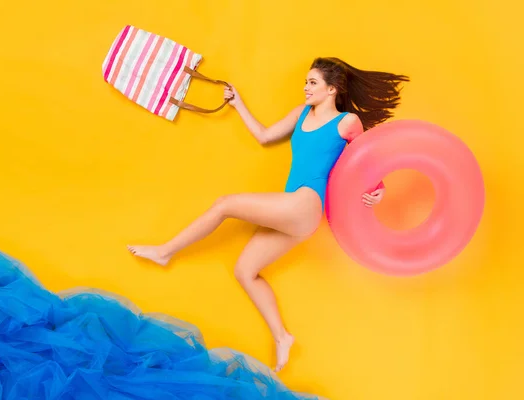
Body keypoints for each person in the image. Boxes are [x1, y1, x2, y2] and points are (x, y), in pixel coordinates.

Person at [127, 57, 409, 373]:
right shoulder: (301, 113)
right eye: (306, 82)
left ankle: (165, 251)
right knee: (245, 270)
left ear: (332, 89)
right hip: (294, 215)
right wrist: (238, 104)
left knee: (224, 204)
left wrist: (380, 187)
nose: (305, 88)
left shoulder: (347, 121)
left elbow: (367, 161)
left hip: (307, 203)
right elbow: (264, 136)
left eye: (312, 83)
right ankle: (282, 337)